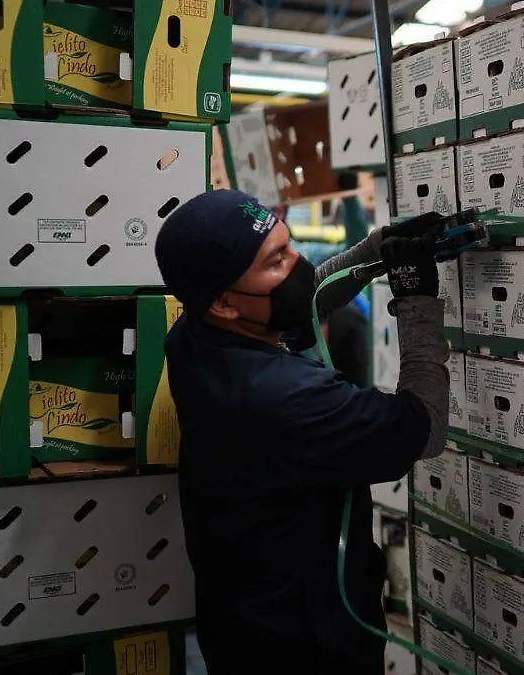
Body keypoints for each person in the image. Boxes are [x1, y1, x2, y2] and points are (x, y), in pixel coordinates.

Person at [154, 189, 448, 675]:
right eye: (275, 262)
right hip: (306, 647)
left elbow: (302, 302)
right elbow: (427, 426)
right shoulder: (289, 399)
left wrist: (374, 252)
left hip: (239, 627)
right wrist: (417, 300)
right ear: (225, 303)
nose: (297, 266)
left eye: (288, 246)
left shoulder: (192, 337)